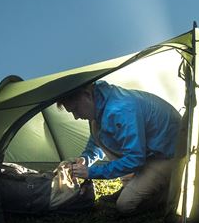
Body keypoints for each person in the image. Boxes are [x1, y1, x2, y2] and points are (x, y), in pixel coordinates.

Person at [57, 80, 182, 215]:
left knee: (125, 205)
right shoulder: (100, 101)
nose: (75, 117)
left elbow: (135, 159)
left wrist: (91, 172)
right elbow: (97, 141)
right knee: (95, 127)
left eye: (75, 109)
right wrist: (84, 159)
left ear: (87, 95)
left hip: (170, 154)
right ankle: (135, 184)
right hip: (150, 151)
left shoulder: (120, 110)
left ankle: (166, 193)